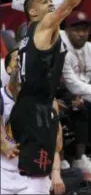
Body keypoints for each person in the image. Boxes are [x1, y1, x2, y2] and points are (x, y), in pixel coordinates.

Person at [9, 0, 91, 193]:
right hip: (35, 110)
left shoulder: (24, 32)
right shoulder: (42, 26)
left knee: (25, 171)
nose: (50, 4)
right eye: (44, 1)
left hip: (32, 104)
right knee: (37, 180)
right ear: (32, 12)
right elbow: (71, 2)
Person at [1, 49, 65, 194]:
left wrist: (55, 172)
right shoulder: (1, 97)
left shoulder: (47, 101)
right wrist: (4, 144)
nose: (24, 64)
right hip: (3, 172)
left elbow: (56, 143)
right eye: (19, 61)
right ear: (9, 68)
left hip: (35, 174)